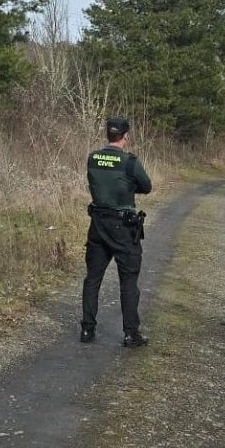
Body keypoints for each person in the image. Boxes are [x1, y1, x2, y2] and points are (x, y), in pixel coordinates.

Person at [80, 117, 152, 347]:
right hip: (123, 227)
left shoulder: (93, 158)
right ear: (125, 136)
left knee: (93, 278)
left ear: (107, 134)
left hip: (98, 223)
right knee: (128, 281)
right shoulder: (129, 162)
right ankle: (131, 333)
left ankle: (87, 330)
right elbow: (146, 186)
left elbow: (95, 181)